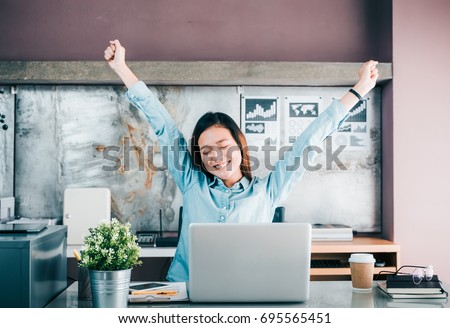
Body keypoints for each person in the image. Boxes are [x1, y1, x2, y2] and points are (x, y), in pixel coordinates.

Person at [104, 40, 379, 282]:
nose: (216, 156)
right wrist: (121, 68)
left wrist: (358, 90)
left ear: (240, 145)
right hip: (185, 293)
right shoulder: (191, 183)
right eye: (206, 150)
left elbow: (307, 142)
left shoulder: (267, 191)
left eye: (223, 146)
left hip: (247, 293)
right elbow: (163, 125)